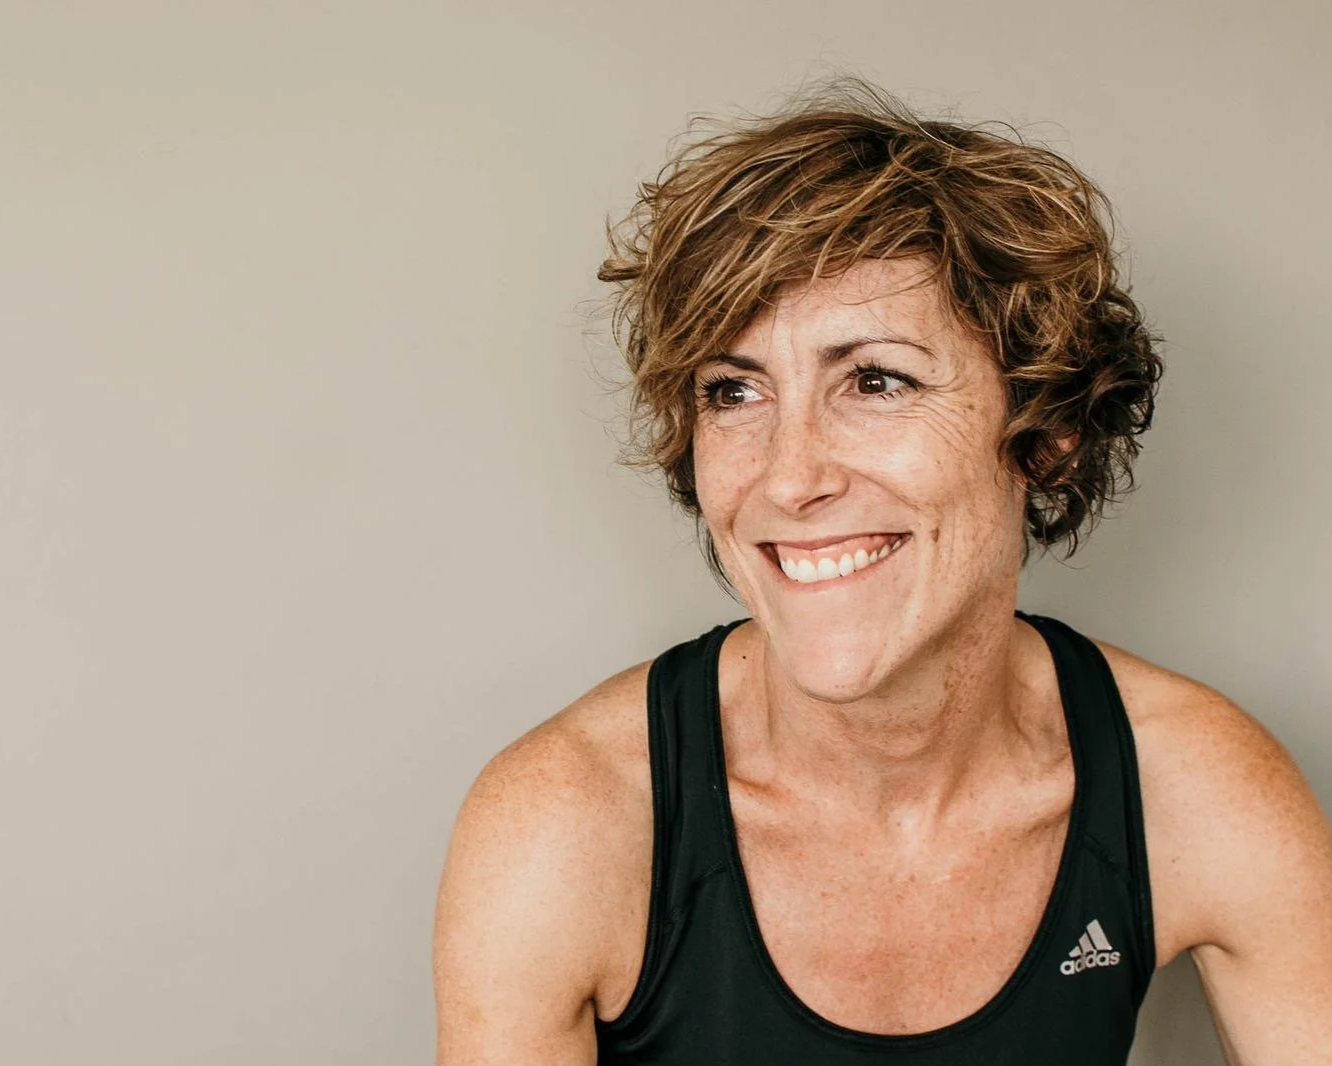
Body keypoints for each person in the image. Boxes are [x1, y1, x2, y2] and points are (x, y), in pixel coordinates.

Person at [431, 78, 1332, 1064]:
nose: (789, 476)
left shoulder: (1196, 785)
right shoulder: (568, 825)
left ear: (1047, 435)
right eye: (735, 390)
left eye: (875, 380)